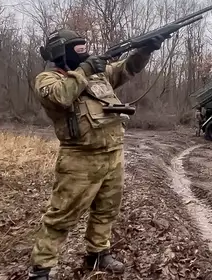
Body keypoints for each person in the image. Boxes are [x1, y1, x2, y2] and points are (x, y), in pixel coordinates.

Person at [27, 29, 158, 279]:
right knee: (61, 215)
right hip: (79, 158)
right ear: (61, 53)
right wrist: (85, 70)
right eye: (77, 47)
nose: (84, 50)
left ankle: (98, 252)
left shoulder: (100, 75)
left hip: (112, 154)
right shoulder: (48, 79)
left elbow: (126, 69)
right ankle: (41, 269)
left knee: (107, 209)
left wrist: (145, 50)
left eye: (84, 47)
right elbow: (60, 97)